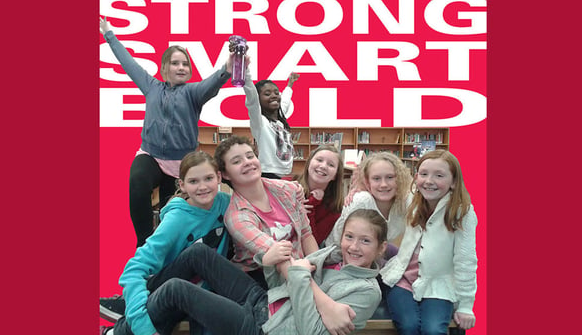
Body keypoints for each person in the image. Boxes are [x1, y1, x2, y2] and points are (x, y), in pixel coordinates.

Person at [101, 208, 388, 335]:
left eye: (365, 241)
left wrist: (300, 275)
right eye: (350, 236)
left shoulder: (364, 291)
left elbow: (310, 329)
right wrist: (274, 262)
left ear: (380, 248)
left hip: (262, 328)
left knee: (177, 289)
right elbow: (286, 276)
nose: (353, 246)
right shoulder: (331, 254)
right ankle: (132, 304)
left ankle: (119, 332)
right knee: (200, 253)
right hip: (263, 299)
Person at [100, 17, 234, 247]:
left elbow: (212, 83)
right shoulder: (151, 86)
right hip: (150, 155)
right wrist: (108, 34)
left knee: (169, 211)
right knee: (138, 181)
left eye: (185, 64)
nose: (181, 67)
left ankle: (165, 248)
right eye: (175, 63)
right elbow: (128, 63)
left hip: (180, 162)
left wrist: (227, 69)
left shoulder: (193, 93)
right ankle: (143, 243)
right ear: (164, 68)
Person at [99, 151, 232, 335]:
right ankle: (120, 324)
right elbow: (134, 268)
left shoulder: (226, 203)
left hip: (204, 291)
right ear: (182, 185)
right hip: (169, 292)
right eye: (193, 181)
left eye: (208, 178)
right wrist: (142, 326)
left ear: (218, 177)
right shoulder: (176, 221)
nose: (202, 187)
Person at [380, 150, 478, 334]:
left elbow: (466, 261)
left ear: (454, 181)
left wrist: (466, 305)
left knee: (433, 330)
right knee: (408, 326)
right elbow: (384, 192)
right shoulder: (412, 202)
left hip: (437, 285)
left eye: (439, 175)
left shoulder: (462, 212)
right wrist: (357, 190)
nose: (429, 181)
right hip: (402, 280)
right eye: (423, 174)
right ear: (416, 177)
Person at [213, 135, 318, 286]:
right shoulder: (236, 216)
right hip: (262, 279)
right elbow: (278, 255)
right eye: (237, 161)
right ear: (225, 174)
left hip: (302, 269)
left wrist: (318, 270)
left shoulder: (287, 189)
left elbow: (306, 235)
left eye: (250, 156)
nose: (247, 162)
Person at [324, 151, 413, 254]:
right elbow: (340, 243)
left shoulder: (403, 200)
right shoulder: (362, 201)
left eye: (390, 177)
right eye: (376, 178)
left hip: (373, 255)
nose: (383, 184)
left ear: (400, 179)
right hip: (340, 255)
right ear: (367, 181)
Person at [236, 43, 298, 178]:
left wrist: (289, 85)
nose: (274, 96)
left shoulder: (280, 121)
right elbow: (251, 97)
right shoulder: (260, 122)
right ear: (258, 99)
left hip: (286, 173)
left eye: (276, 92)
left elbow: (285, 101)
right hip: (267, 173)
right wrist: (244, 68)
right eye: (267, 93)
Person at [296, 145, 345, 244]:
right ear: (309, 162)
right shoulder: (288, 185)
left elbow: (315, 241)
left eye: (331, 165)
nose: (323, 166)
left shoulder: (334, 210)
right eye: (319, 160)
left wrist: (310, 209)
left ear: (335, 175)